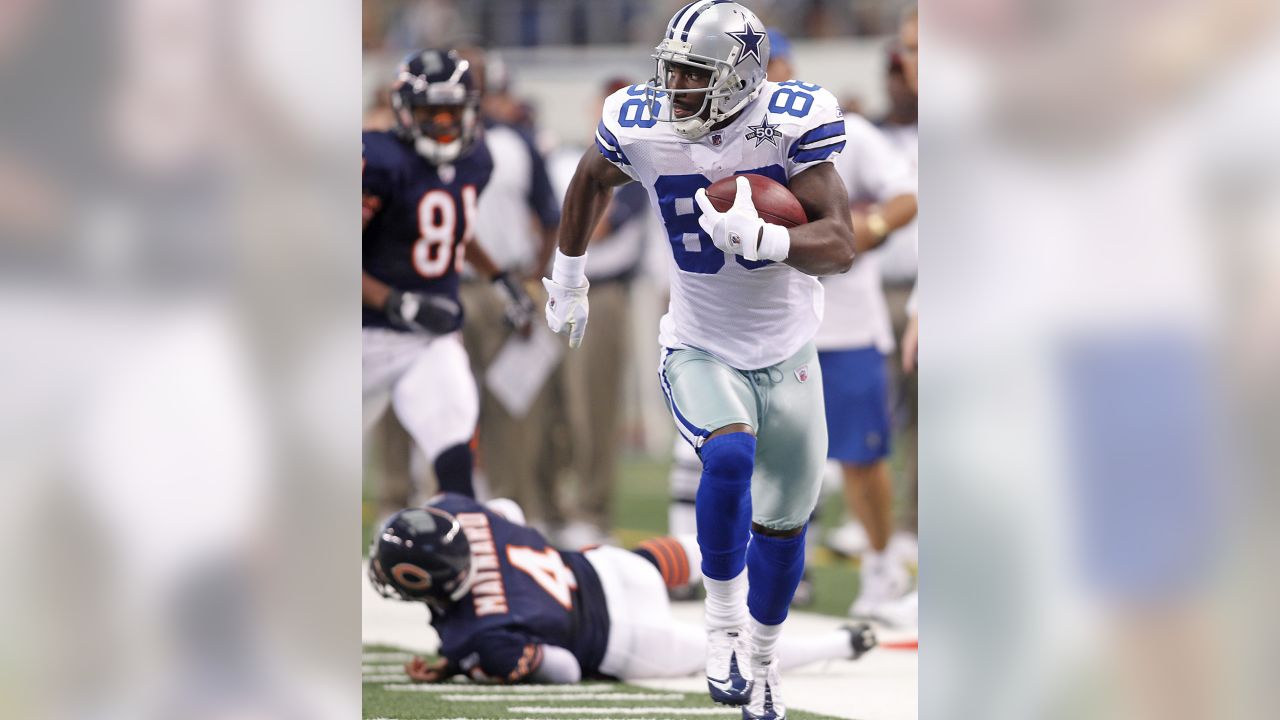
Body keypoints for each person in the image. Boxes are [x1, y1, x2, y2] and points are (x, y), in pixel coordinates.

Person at [541, 3, 856, 718]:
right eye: (672, 69)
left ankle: (765, 660)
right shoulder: (641, 119)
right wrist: (567, 273)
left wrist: (769, 242)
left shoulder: (789, 121)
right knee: (727, 457)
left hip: (787, 351)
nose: (675, 86)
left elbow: (840, 244)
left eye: (693, 74)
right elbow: (591, 179)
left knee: (783, 525)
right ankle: (720, 627)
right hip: (698, 343)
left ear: (744, 75)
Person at [368, 494, 878, 684]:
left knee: (733, 657)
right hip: (617, 569)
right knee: (714, 552)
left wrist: (472, 667)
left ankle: (842, 644)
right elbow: (509, 512)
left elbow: (564, 669)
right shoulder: (463, 511)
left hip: (625, 640)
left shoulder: (475, 636)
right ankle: (782, 551)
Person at [363, 49, 533, 501]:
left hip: (424, 340)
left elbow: (451, 228)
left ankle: (463, 561)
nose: (443, 123)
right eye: (430, 112)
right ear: (404, 112)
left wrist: (500, 278)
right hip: (361, 334)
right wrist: (396, 301)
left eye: (452, 112)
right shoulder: (378, 161)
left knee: (455, 452)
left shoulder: (476, 161)